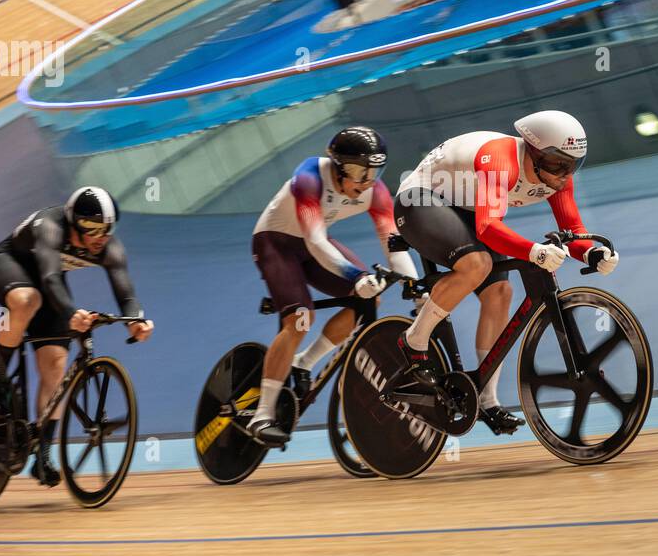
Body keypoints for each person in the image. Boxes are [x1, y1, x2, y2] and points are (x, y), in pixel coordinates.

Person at [393, 111, 620, 435]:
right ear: (535, 152)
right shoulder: (500, 160)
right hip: (419, 200)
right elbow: (487, 228)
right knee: (477, 264)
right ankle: (414, 340)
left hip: (463, 207)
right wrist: (534, 251)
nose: (563, 175)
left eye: (572, 166)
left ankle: (486, 398)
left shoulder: (558, 174)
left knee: (500, 292)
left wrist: (593, 252)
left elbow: (572, 231)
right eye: (558, 165)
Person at [249, 127, 418, 446]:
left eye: (374, 171)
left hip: (317, 245)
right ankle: (262, 414)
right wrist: (356, 276)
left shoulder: (375, 191)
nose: (365, 180)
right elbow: (313, 240)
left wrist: (416, 286)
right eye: (357, 170)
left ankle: (303, 363)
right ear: (337, 166)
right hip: (276, 242)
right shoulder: (310, 176)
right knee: (300, 319)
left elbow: (392, 244)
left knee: (370, 301)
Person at [0, 186, 153, 487]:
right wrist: (72, 312)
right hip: (10, 265)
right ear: (73, 223)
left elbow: (126, 293)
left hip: (50, 282)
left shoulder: (110, 248)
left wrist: (136, 322)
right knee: (27, 300)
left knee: (55, 367)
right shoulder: (51, 227)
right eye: (90, 228)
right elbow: (49, 277)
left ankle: (43, 455)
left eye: (106, 229)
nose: (99, 237)